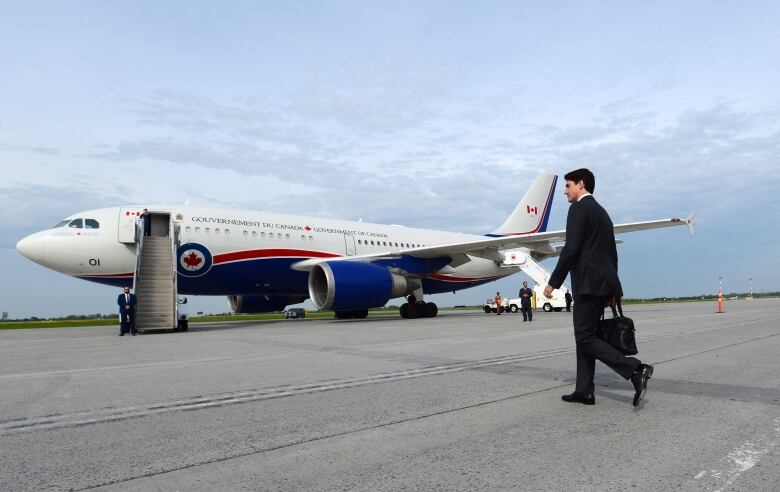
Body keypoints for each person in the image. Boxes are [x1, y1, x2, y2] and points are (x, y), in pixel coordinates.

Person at [543, 168, 653, 407]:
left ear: (581, 185)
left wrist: (553, 282)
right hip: (603, 283)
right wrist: (613, 289)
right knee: (587, 336)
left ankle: (635, 370)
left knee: (584, 337)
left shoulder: (578, 209)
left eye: (568, 185)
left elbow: (570, 249)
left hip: (586, 284)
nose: (565, 191)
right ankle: (584, 390)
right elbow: (612, 255)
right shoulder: (603, 213)